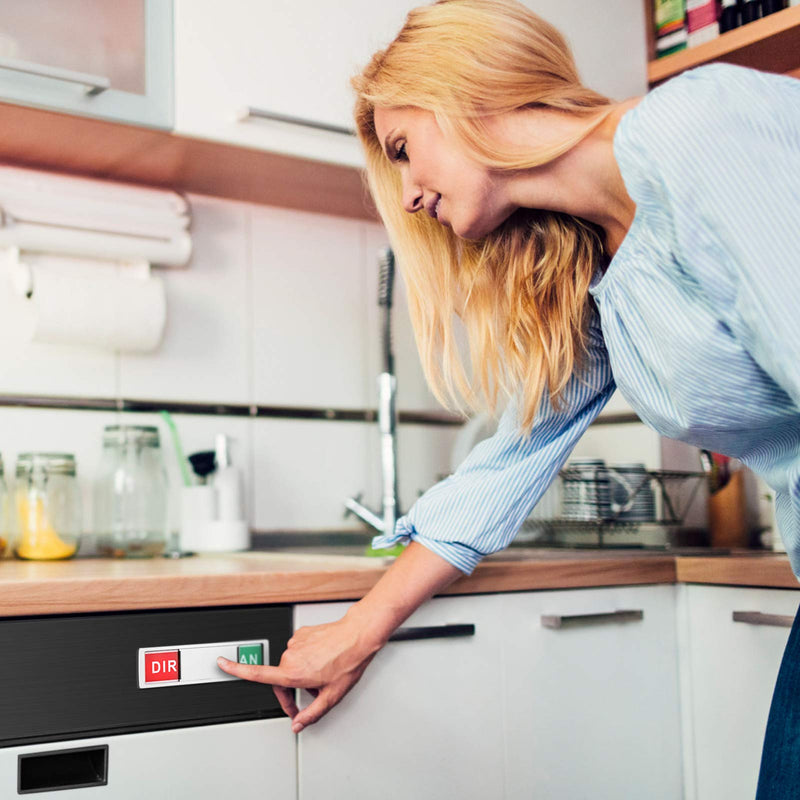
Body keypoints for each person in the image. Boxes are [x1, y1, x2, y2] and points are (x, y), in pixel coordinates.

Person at [218, 0, 800, 793]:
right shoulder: (604, 274)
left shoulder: (698, 127)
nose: (409, 192)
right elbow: (513, 459)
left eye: (402, 148)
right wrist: (358, 630)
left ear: (462, 90)